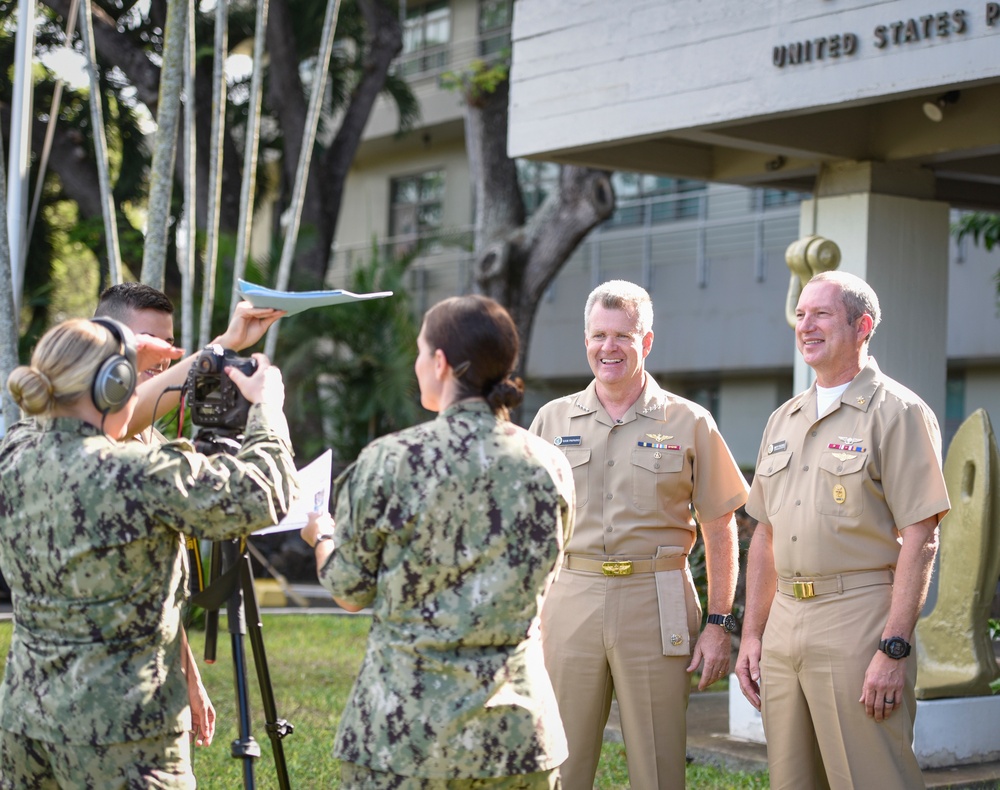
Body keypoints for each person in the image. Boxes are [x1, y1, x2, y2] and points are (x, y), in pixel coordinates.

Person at [0, 317, 299, 788]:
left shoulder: (14, 457)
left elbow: (45, 420)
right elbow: (263, 494)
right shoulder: (140, 475)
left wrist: (211, 349)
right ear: (114, 389)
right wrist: (268, 408)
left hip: (26, 727)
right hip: (125, 739)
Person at [300, 295, 575, 789]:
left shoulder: (391, 461)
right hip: (517, 736)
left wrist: (322, 534)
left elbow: (347, 590)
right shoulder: (551, 465)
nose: (417, 363)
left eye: (421, 351)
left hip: (405, 737)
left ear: (442, 363)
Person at [528, 279, 749, 789]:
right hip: (571, 595)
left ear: (646, 342)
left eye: (623, 336)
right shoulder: (551, 419)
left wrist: (719, 622)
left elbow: (721, 527)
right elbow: (533, 527)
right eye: (599, 335)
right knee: (559, 757)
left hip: (657, 597)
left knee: (658, 762)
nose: (609, 347)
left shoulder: (689, 421)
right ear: (585, 340)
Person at [734, 270, 951, 789]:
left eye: (822, 314)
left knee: (873, 777)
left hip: (859, 622)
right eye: (801, 314)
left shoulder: (898, 412)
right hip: (785, 625)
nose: (805, 325)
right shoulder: (783, 419)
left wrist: (893, 648)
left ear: (863, 326)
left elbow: (921, 537)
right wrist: (752, 634)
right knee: (793, 780)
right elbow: (763, 534)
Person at [95, 281, 282, 750]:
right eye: (148, 354)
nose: (162, 368)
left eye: (167, 356)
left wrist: (188, 676)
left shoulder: (150, 445)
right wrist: (231, 359)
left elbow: (154, 586)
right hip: (117, 713)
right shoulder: (92, 442)